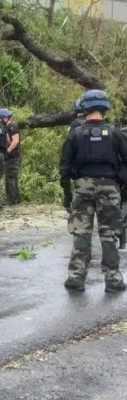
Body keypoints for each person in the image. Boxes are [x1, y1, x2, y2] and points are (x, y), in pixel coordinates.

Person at [59, 89, 127, 292]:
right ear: (105, 108)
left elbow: (64, 167)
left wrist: (67, 196)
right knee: (109, 234)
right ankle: (113, 280)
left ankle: (76, 278)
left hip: (82, 186)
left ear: (85, 108)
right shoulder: (115, 133)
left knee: (81, 233)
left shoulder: (76, 133)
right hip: (110, 187)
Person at [0, 108, 22, 205]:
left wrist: (8, 152)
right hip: (11, 155)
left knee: (10, 177)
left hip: (13, 156)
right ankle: (16, 198)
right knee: (11, 177)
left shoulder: (12, 126)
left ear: (5, 118)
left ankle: (12, 199)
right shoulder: (6, 127)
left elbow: (15, 141)